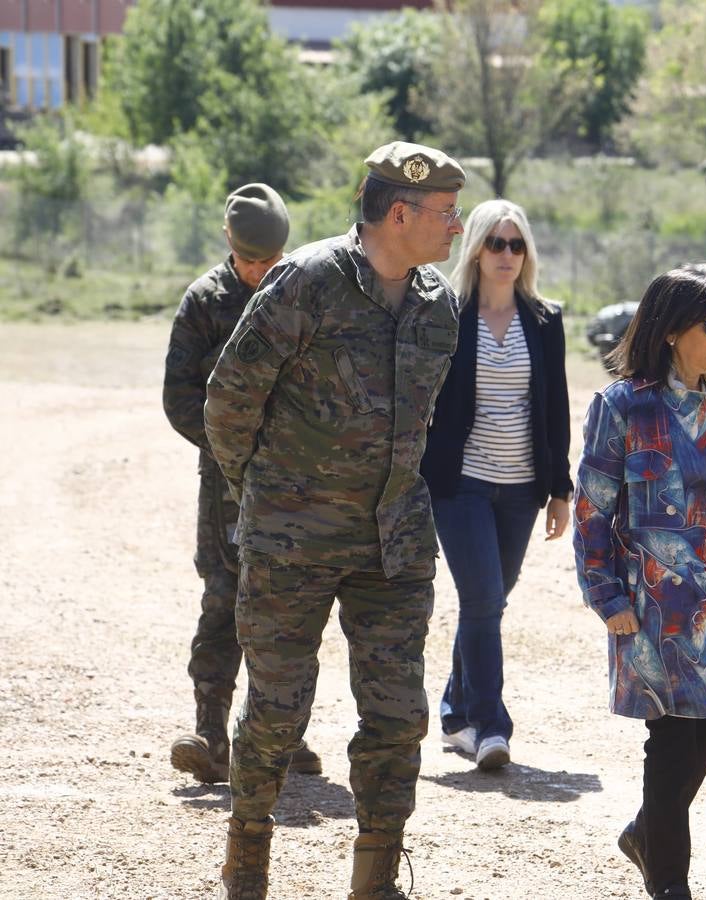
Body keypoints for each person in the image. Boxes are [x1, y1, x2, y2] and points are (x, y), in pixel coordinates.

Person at [204, 141, 465, 900]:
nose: (456, 228)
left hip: (394, 545)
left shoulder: (437, 305)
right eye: (444, 215)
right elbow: (229, 399)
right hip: (293, 539)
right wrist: (260, 495)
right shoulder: (307, 282)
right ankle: (248, 854)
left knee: (397, 716)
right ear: (397, 212)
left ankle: (377, 873)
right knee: (279, 710)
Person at [573, 267, 706, 900]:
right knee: (671, 734)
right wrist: (606, 597)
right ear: (671, 333)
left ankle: (647, 832)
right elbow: (592, 509)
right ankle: (670, 882)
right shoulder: (624, 405)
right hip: (658, 598)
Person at [163, 184, 324, 785]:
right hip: (227, 483)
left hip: (298, 483)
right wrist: (234, 447)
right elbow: (180, 398)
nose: (261, 272)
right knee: (225, 599)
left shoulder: (305, 293)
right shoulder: (205, 302)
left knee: (293, 606)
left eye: (271, 261)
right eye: (252, 261)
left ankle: (286, 731)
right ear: (230, 244)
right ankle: (210, 731)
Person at [421, 199, 572, 770]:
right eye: (496, 243)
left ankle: (457, 713)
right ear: (477, 249)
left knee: (489, 601)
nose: (507, 254)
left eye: (517, 244)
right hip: (460, 485)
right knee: (482, 598)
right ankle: (490, 724)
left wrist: (560, 490)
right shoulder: (448, 315)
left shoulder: (545, 319)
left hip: (522, 489)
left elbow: (554, 406)